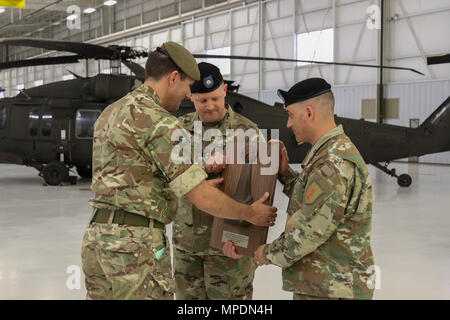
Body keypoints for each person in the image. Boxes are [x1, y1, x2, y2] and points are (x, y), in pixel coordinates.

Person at [81, 42, 277, 300]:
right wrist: (250, 214)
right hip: (135, 245)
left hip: (98, 240)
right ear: (174, 77)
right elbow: (202, 197)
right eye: (189, 88)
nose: (188, 96)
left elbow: (138, 170)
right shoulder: (163, 123)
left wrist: (203, 167)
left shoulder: (111, 112)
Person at [225, 77, 375, 300]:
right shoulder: (327, 154)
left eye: (291, 115)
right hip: (325, 285)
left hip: (333, 289)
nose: (288, 124)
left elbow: (309, 233)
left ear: (309, 113)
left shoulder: (332, 163)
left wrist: (265, 253)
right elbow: (312, 205)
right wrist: (285, 173)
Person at [173, 62, 261, 300]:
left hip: (229, 247)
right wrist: (202, 166)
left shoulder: (248, 131)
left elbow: (261, 192)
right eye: (203, 101)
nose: (210, 106)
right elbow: (166, 178)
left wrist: (249, 243)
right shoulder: (180, 129)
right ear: (191, 97)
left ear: (224, 91)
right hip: (186, 246)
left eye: (214, 98)